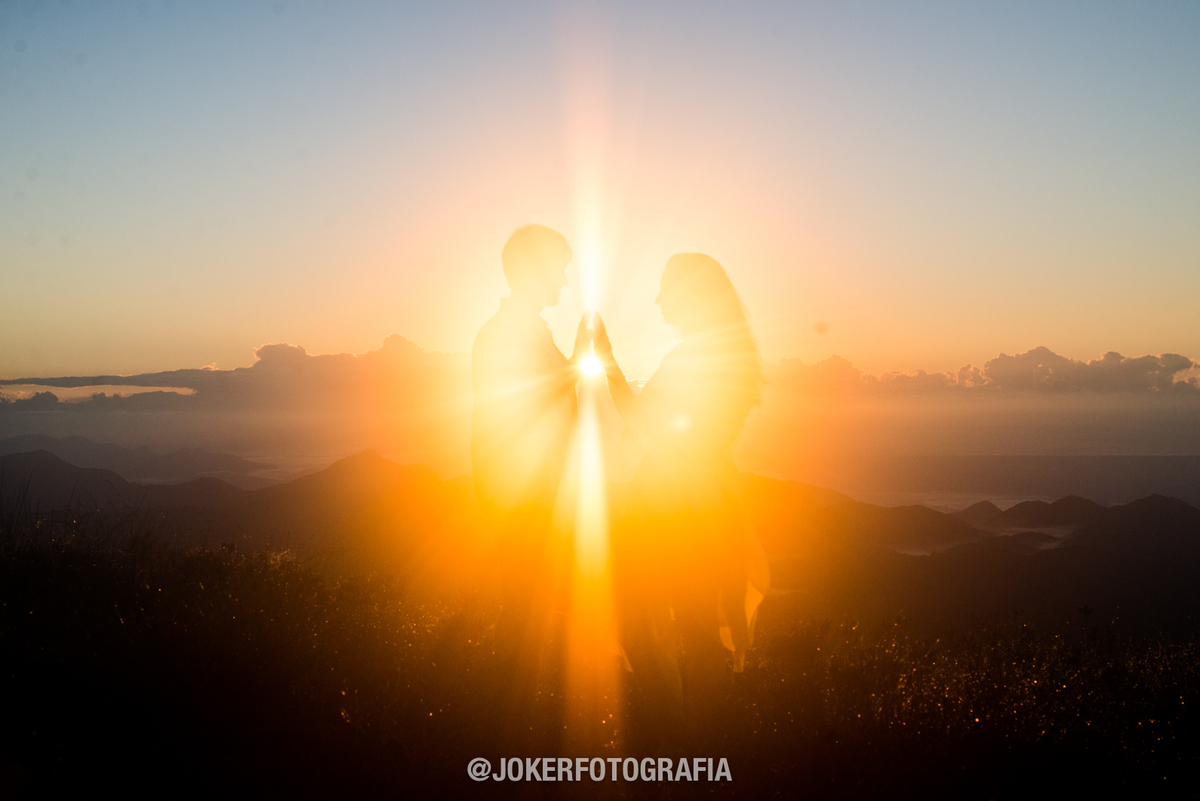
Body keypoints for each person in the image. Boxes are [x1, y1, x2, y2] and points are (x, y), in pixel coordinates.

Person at [592, 253, 769, 743]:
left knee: (644, 624)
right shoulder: (731, 357)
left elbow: (645, 421)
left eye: (667, 287)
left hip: (672, 512)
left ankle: (676, 738)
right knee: (694, 629)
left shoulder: (695, 359)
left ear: (692, 294)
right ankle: (705, 744)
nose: (658, 298)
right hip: (709, 507)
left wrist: (606, 360)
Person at [471, 224, 589, 731]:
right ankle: (517, 739)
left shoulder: (521, 331)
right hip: (523, 500)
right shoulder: (506, 336)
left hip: (532, 496)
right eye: (558, 270)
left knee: (534, 618)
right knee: (526, 622)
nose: (564, 283)